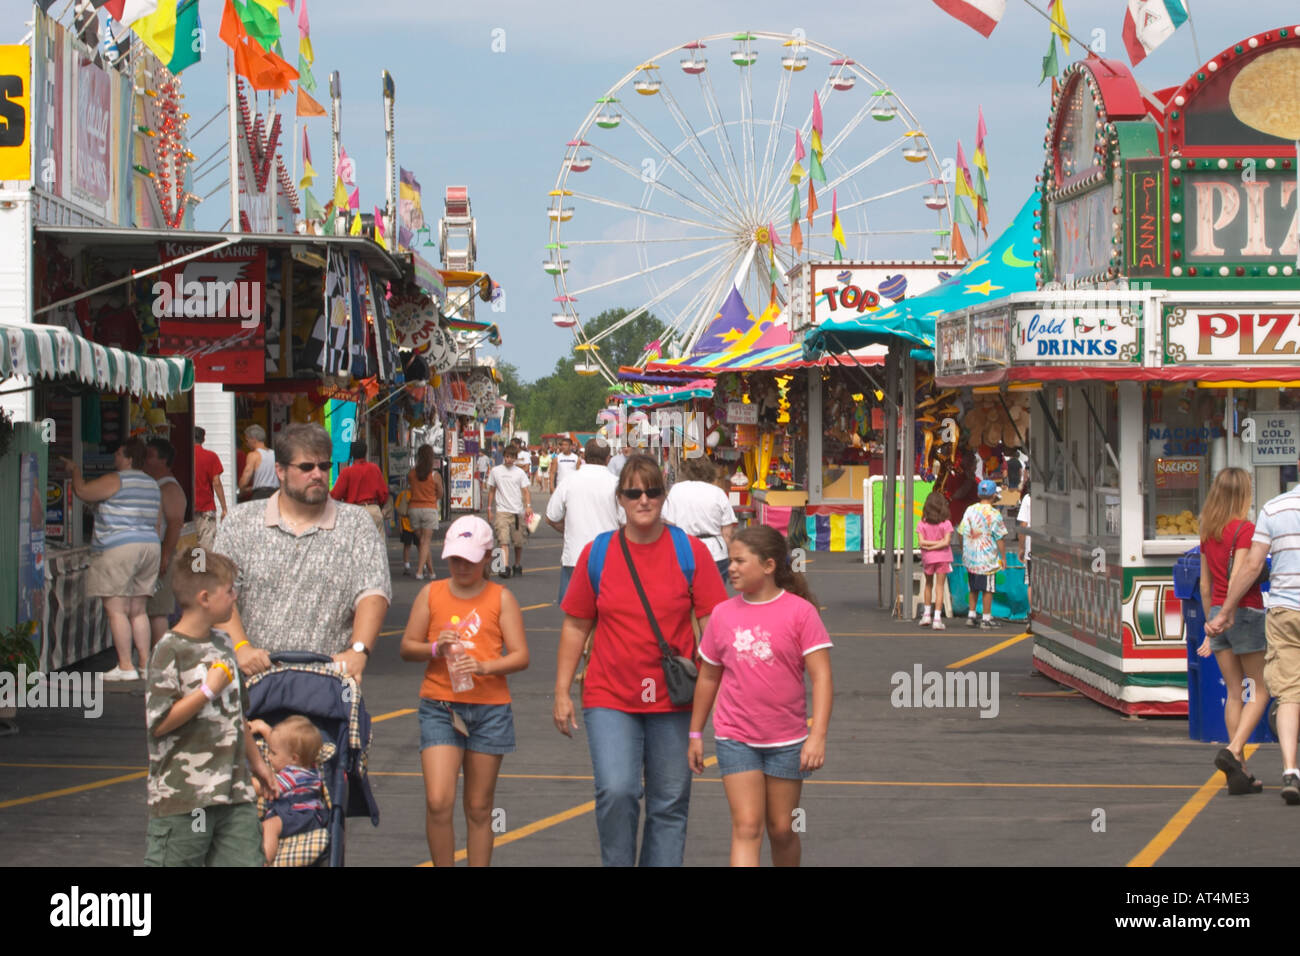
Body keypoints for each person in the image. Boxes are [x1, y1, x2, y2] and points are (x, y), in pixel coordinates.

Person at [553, 454, 728, 867]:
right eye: (633, 492)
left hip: (675, 698)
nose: (643, 499)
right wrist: (561, 691)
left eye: (652, 490)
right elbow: (576, 627)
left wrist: (720, 691)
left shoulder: (691, 552)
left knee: (669, 801)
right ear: (620, 499)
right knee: (617, 790)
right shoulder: (599, 553)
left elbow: (714, 629)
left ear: (664, 496)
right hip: (611, 694)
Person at [688, 525, 833, 866]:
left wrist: (818, 736)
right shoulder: (722, 614)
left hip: (787, 740)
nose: (732, 568)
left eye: (740, 560)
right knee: (747, 826)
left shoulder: (800, 612)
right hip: (735, 738)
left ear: (768, 566)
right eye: (731, 560)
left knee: (782, 828)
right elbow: (708, 676)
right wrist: (696, 733)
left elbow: (822, 677)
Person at [398, 515, 530, 866]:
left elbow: (520, 656)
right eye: (455, 559)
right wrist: (433, 648)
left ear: (487, 558)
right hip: (440, 705)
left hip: (489, 708)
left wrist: (485, 666)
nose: (461, 567)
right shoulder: (432, 593)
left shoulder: (501, 598)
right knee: (439, 800)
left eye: (470, 560)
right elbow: (407, 646)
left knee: (478, 806)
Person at [214, 423, 391, 679]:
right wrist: (241, 648)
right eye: (307, 467)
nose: (318, 474)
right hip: (255, 682)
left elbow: (373, 591)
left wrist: (358, 651)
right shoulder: (240, 522)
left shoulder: (356, 524)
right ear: (281, 471)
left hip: (329, 683)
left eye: (324, 466)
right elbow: (218, 588)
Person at [145, 551, 275, 866]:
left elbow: (237, 716)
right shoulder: (169, 650)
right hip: (185, 799)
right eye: (229, 590)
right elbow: (159, 723)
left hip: (234, 795)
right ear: (205, 598)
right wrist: (207, 690)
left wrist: (258, 765)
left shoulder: (223, 644)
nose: (235, 596)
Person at [63, 438, 161, 681]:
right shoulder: (151, 484)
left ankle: (126, 666)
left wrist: (75, 471)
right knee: (138, 610)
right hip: (149, 545)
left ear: (128, 459)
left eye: (118, 453)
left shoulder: (117, 479)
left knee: (116, 610)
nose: (114, 458)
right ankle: (146, 664)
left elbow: (83, 491)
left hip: (119, 546)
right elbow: (158, 522)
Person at [1198, 468, 1268, 795]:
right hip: (1243, 611)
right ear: (1243, 494)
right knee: (1261, 689)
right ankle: (1233, 750)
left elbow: (1205, 583)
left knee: (1235, 691)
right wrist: (1229, 612)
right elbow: (1241, 572)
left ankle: (1239, 774)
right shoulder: (1245, 529)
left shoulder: (1208, 531)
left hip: (1216, 614)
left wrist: (1211, 622)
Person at [546, 438, 621, 604]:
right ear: (608, 458)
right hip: (608, 559)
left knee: (575, 617)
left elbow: (551, 517)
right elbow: (626, 521)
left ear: (584, 456)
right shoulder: (616, 484)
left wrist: (567, 529)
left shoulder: (569, 481)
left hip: (575, 557)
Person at [247, 715, 327, 864]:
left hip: (301, 815)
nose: (269, 757)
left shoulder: (292, 774)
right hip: (305, 815)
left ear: (294, 759)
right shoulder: (308, 767)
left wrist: (243, 783)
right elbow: (281, 744)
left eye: (273, 753)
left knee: (269, 826)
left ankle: (265, 861)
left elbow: (266, 786)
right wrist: (265, 729)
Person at [663, 455, 738, 580]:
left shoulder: (676, 490)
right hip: (715, 554)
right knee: (714, 597)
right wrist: (734, 558)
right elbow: (727, 534)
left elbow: (669, 525)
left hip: (683, 552)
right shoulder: (718, 493)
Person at [144, 438, 188, 648]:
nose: (145, 460)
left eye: (150, 455)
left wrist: (165, 555)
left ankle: (160, 656)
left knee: (158, 609)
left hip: (162, 552)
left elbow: (175, 523)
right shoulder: (156, 485)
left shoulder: (169, 488)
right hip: (155, 552)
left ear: (163, 460)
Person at [958, 479, 1006, 629]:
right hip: (987, 559)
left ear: (979, 494)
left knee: (973, 587)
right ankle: (986, 618)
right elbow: (1000, 538)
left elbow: (961, 531)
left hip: (971, 557)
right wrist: (1003, 557)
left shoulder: (970, 510)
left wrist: (964, 548)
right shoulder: (995, 514)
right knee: (988, 588)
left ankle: (971, 615)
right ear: (993, 496)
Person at [487, 441, 533, 579]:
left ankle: (517, 564)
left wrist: (528, 506)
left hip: (517, 512)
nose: (509, 459)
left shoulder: (520, 473)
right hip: (502, 511)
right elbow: (491, 490)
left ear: (515, 458)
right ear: (503, 456)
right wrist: (489, 509)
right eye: (507, 456)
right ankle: (504, 566)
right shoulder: (496, 471)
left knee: (518, 542)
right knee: (503, 540)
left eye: (512, 457)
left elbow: (526, 491)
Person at [331, 439, 389, 536]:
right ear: (365, 452)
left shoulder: (346, 472)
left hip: (354, 511)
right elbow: (383, 493)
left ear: (352, 454)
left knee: (355, 546)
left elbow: (335, 495)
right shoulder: (374, 469)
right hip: (373, 509)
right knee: (378, 546)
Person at [917, 491, 954, 630]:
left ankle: (926, 614)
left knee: (928, 584)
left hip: (928, 558)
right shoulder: (946, 523)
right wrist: (938, 543)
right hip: (943, 558)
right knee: (940, 587)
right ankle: (937, 618)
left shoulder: (922, 524)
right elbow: (946, 542)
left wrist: (929, 545)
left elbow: (921, 542)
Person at [408, 445, 444, 581]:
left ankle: (431, 571)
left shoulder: (411, 474)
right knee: (426, 541)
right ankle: (419, 572)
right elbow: (440, 493)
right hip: (429, 508)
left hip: (414, 509)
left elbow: (410, 489)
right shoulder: (435, 475)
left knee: (422, 542)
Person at [192, 426, 227, 554]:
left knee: (190, 542)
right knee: (204, 544)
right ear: (203, 439)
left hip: (186, 509)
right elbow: (216, 482)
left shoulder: (183, 455)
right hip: (205, 507)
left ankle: (192, 571)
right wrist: (224, 507)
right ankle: (200, 571)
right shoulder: (210, 456)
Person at [237, 425, 278, 501]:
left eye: (247, 440)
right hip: (275, 494)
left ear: (253, 439)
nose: (246, 443)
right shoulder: (274, 454)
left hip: (260, 495)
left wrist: (240, 489)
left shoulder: (253, 455)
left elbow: (246, 476)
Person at [944, 446, 980, 528]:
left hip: (971, 520)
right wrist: (969, 480)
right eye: (970, 457)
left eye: (973, 458)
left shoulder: (969, 475)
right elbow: (957, 495)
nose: (973, 460)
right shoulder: (956, 473)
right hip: (959, 519)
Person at [395, 485, 418, 576]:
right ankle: (407, 565)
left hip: (416, 524)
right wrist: (400, 525)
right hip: (406, 524)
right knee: (407, 545)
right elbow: (399, 510)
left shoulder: (418, 493)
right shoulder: (403, 494)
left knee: (419, 546)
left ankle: (423, 565)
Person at [1018, 480, 1033, 621]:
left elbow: (1023, 524)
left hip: (1031, 546)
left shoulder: (1028, 499)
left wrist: (1021, 547)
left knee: (1031, 582)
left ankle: (1033, 612)